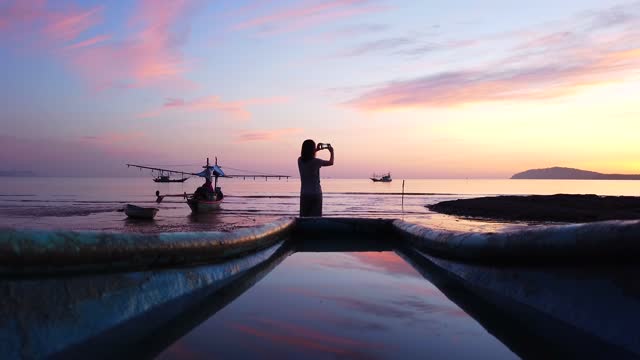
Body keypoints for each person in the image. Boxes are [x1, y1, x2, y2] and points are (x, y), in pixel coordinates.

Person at [298, 139, 334, 217]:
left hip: (304, 193)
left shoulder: (300, 160)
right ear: (312, 149)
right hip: (316, 193)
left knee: (304, 217)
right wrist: (331, 152)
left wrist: (317, 149)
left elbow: (307, 155)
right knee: (316, 217)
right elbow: (331, 162)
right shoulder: (317, 162)